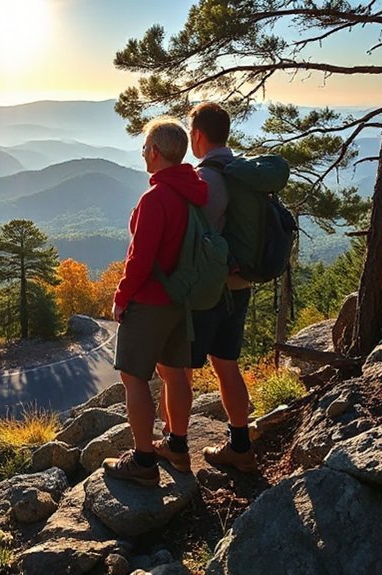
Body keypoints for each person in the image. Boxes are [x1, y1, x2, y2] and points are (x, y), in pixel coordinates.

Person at [102, 117, 208, 487]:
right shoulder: (193, 191)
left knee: (133, 379)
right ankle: (178, 447)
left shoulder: (156, 197)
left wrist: (121, 297)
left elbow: (140, 259)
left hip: (150, 301)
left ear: (157, 152)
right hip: (182, 299)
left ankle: (144, 461)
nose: (143, 155)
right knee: (174, 372)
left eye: (145, 148)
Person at [155, 102, 257, 473]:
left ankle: (176, 445)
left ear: (196, 135)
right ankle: (240, 446)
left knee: (175, 366)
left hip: (208, 290)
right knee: (227, 365)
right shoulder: (243, 172)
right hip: (240, 283)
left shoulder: (205, 179)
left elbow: (190, 238)